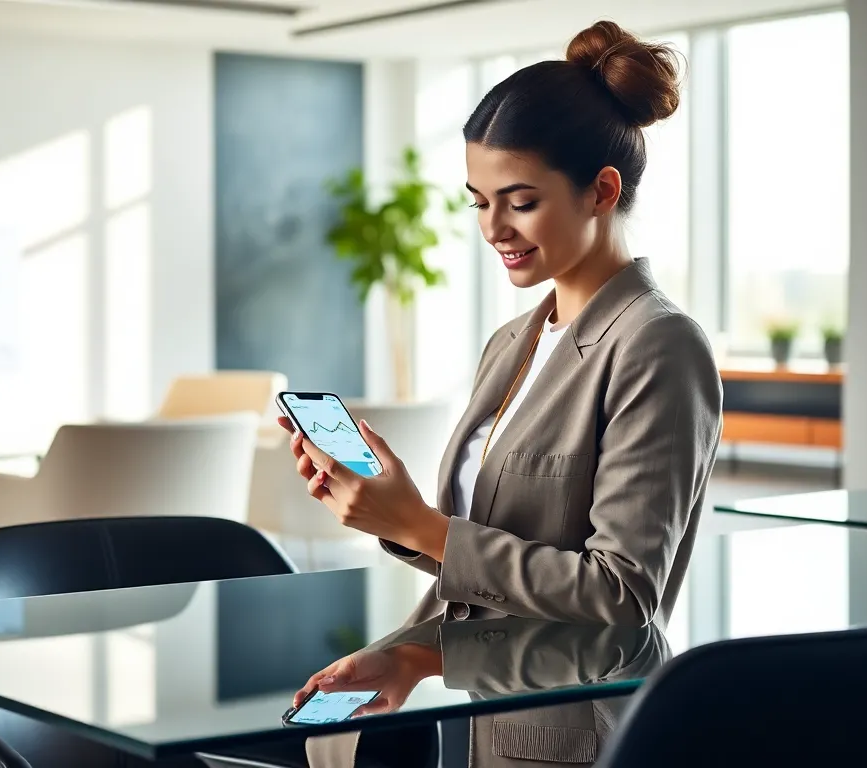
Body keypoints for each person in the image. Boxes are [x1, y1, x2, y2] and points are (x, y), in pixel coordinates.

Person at [284, 19, 723, 768]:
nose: (493, 228)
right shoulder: (513, 342)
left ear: (601, 191)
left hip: (582, 735)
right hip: (488, 707)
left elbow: (619, 596)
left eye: (519, 201)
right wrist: (409, 631)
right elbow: (493, 560)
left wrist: (422, 526)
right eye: (478, 201)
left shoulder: (658, 345)